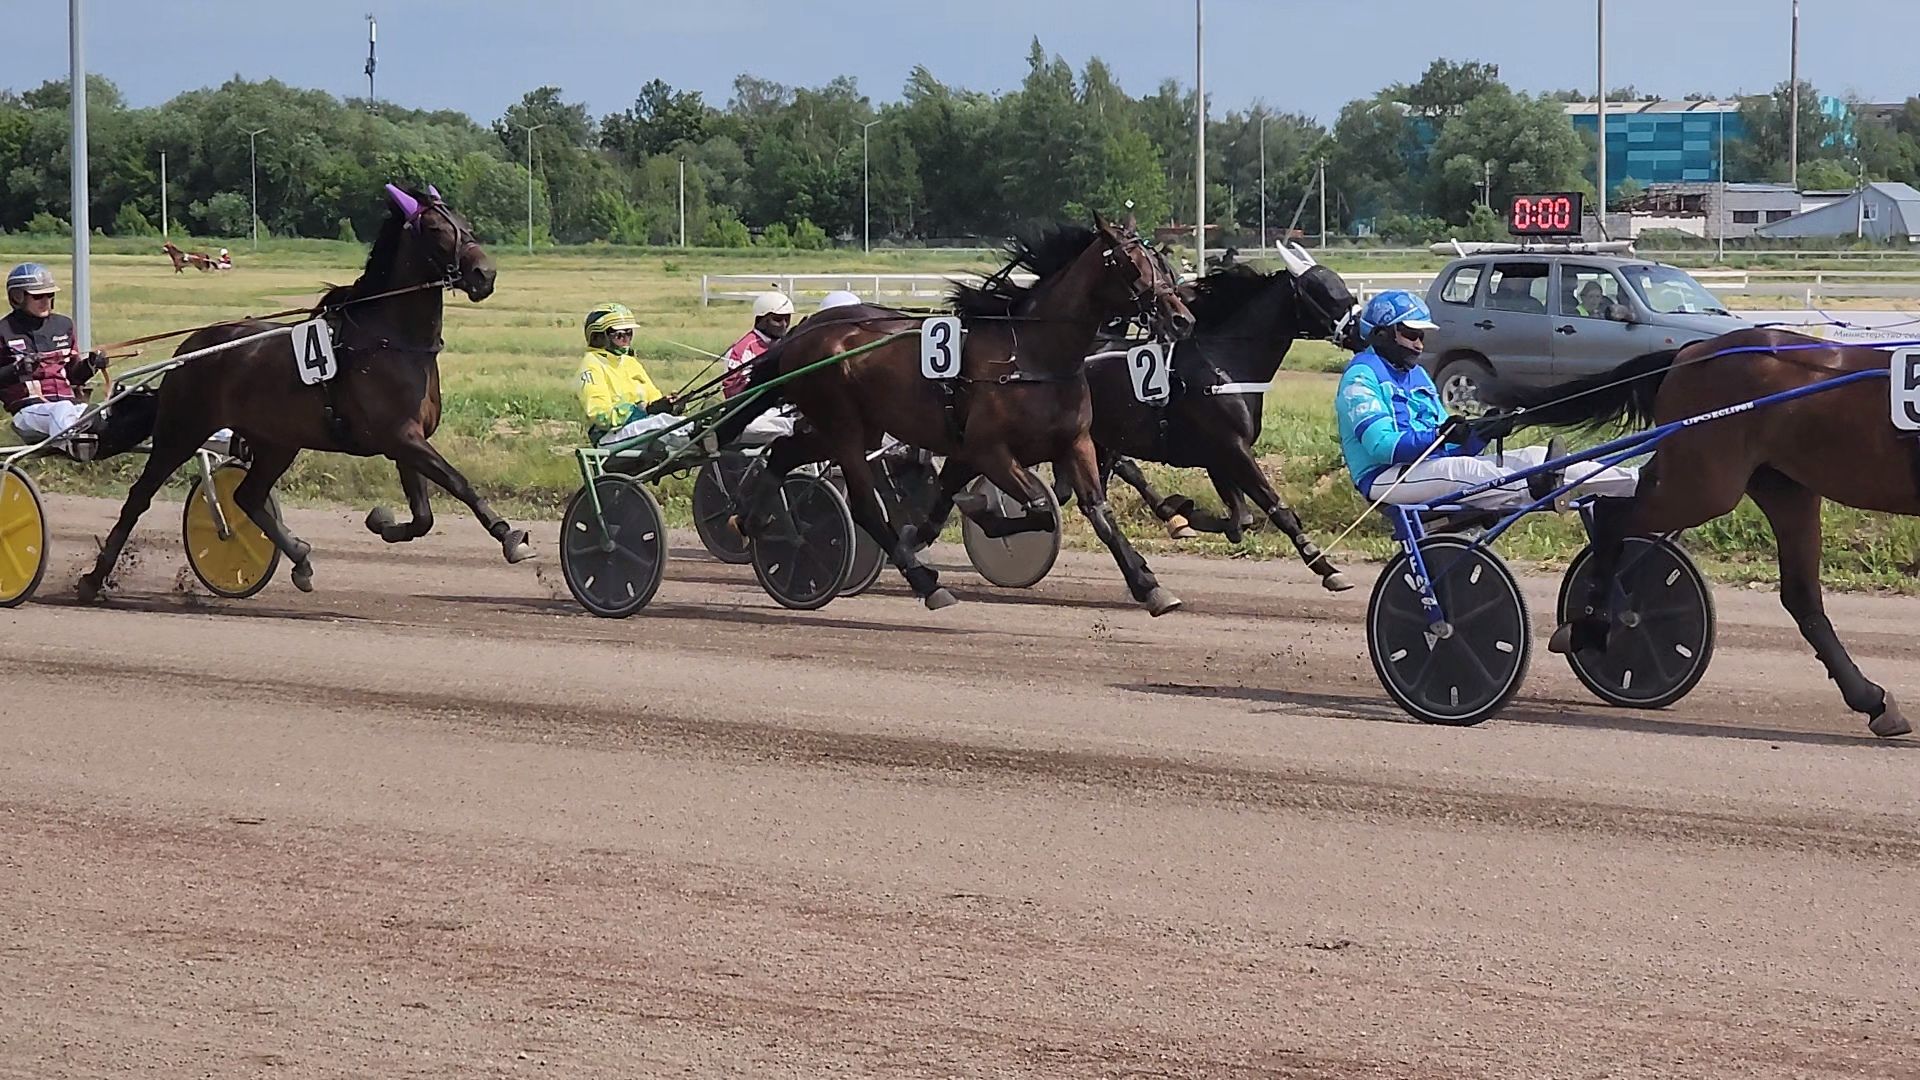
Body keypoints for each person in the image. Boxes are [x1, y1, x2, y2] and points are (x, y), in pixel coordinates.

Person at [1334, 290, 1638, 512]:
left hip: (1430, 467)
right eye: (1411, 334)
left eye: (1422, 336)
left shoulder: (1417, 376)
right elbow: (1382, 446)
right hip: (1385, 478)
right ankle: (1538, 489)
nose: (1419, 343)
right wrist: (1440, 437)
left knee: (1533, 457)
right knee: (1466, 472)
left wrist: (1481, 432)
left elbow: (1450, 441)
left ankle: (1634, 483)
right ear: (1383, 334)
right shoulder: (1361, 376)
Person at [1, 263, 110, 448]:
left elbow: (74, 375)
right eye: (37, 296)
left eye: (50, 294)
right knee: (62, 410)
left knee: (106, 411)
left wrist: (92, 364)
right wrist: (16, 370)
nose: (46, 300)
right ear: (17, 297)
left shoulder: (63, 325)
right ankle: (74, 445)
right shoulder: (4, 330)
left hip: (69, 405)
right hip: (28, 411)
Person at [574, 302, 686, 452]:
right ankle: (699, 436)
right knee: (661, 422)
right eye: (619, 335)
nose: (626, 339)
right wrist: (642, 410)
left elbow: (653, 399)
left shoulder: (630, 362)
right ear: (599, 337)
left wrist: (668, 404)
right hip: (610, 437)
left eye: (629, 333)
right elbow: (600, 415)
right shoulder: (591, 365)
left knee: (674, 421)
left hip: (640, 428)